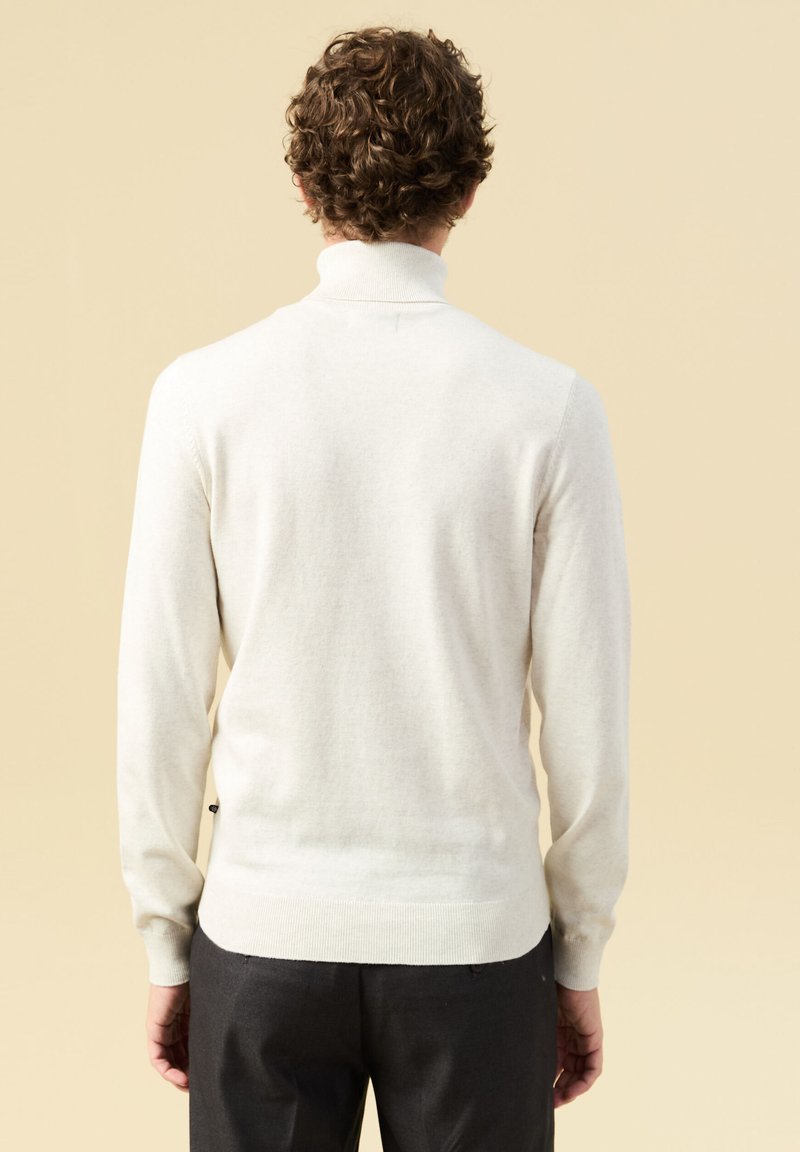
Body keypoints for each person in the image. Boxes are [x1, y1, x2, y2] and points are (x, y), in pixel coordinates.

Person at [116, 24, 631, 1152]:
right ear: (470, 188)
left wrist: (165, 937)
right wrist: (580, 951)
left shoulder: (201, 398)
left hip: (262, 936)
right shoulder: (547, 408)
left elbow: (161, 700)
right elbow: (588, 723)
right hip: (475, 943)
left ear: (303, 187)